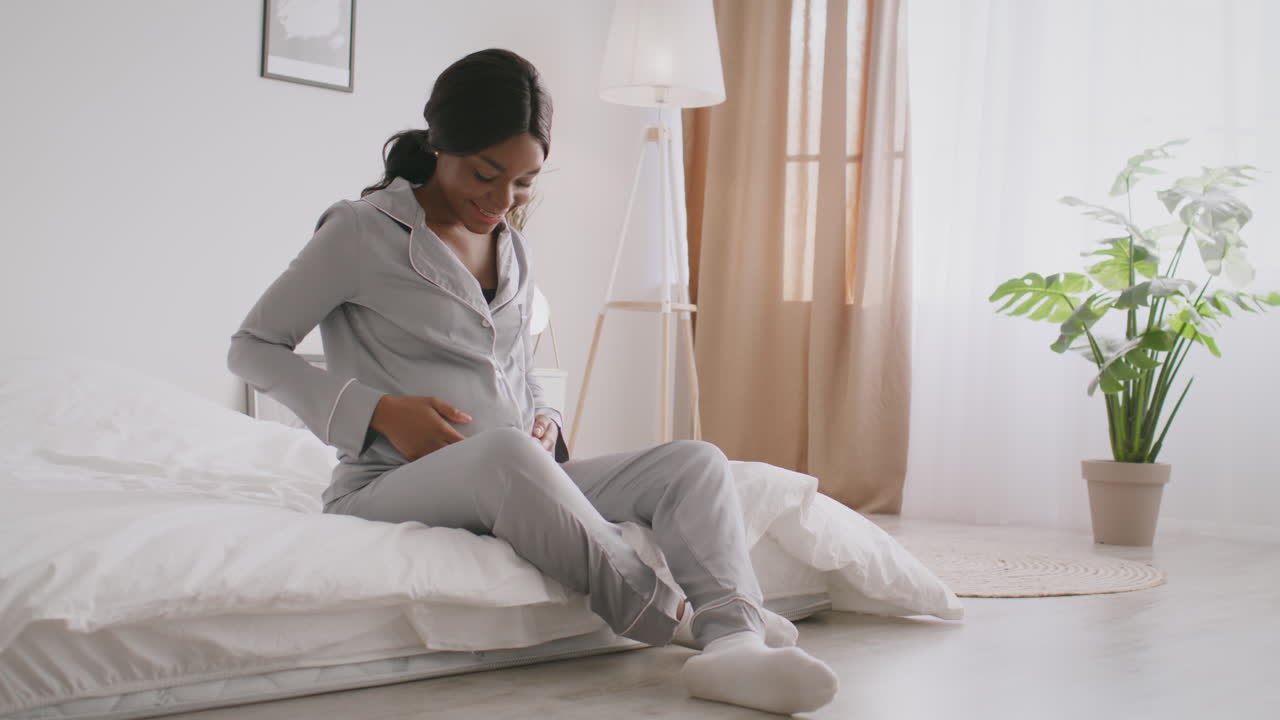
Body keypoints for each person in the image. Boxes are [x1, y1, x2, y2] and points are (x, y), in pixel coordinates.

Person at [227, 48, 837, 715]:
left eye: (523, 183)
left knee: (695, 463)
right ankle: (671, 614)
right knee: (506, 456)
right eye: (486, 174)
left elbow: (511, 367)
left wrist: (545, 416)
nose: (501, 201)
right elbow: (252, 347)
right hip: (387, 482)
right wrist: (378, 413)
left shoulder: (512, 246)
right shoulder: (360, 231)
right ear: (441, 145)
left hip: (516, 470)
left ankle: (733, 642)